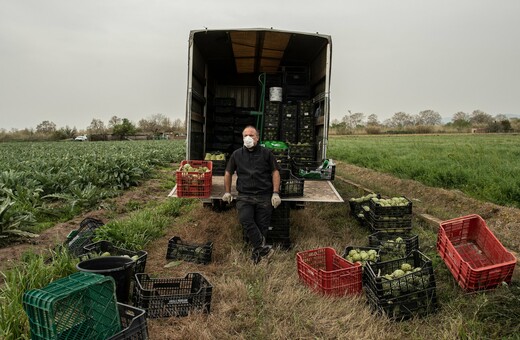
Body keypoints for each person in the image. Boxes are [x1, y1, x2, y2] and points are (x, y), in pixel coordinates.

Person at [222, 125, 281, 264]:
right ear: (242, 138)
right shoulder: (237, 154)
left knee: (262, 226)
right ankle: (262, 247)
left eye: (252, 135)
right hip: (245, 195)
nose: (248, 138)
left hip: (264, 195)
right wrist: (227, 192)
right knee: (245, 219)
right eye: (245, 136)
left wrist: (275, 193)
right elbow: (228, 172)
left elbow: (275, 172)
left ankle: (258, 254)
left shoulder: (266, 153)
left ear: (258, 138)